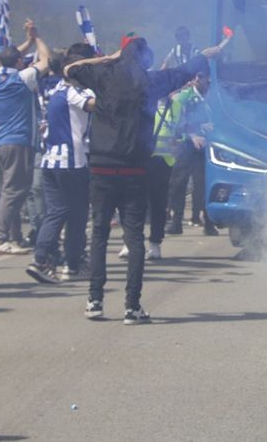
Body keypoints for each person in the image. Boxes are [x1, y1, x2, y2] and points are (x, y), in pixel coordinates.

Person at [64, 35, 219, 324]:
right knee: (135, 238)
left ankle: (95, 301)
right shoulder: (151, 81)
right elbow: (185, 71)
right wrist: (205, 55)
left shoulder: (102, 75)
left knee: (99, 235)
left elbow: (68, 69)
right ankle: (132, 306)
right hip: (133, 170)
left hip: (101, 168)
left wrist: (109, 58)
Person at [27, 44, 96, 285]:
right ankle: (72, 264)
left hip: (50, 160)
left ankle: (41, 259)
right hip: (71, 162)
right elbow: (95, 105)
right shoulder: (74, 92)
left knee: (56, 212)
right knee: (77, 215)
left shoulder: (57, 89)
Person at [0, 19, 50, 255]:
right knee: (14, 192)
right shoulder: (23, 78)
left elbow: (11, 57)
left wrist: (28, 40)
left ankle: (14, 238)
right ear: (19, 63)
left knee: (7, 191)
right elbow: (46, 60)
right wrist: (37, 37)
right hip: (18, 141)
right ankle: (0, 239)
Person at [163, 71, 216, 236]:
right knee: (178, 184)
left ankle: (208, 222)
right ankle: (177, 222)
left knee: (203, 185)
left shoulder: (213, 97)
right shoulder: (183, 97)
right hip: (186, 145)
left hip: (207, 146)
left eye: (206, 77)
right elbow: (178, 121)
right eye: (202, 77)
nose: (205, 81)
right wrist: (193, 134)